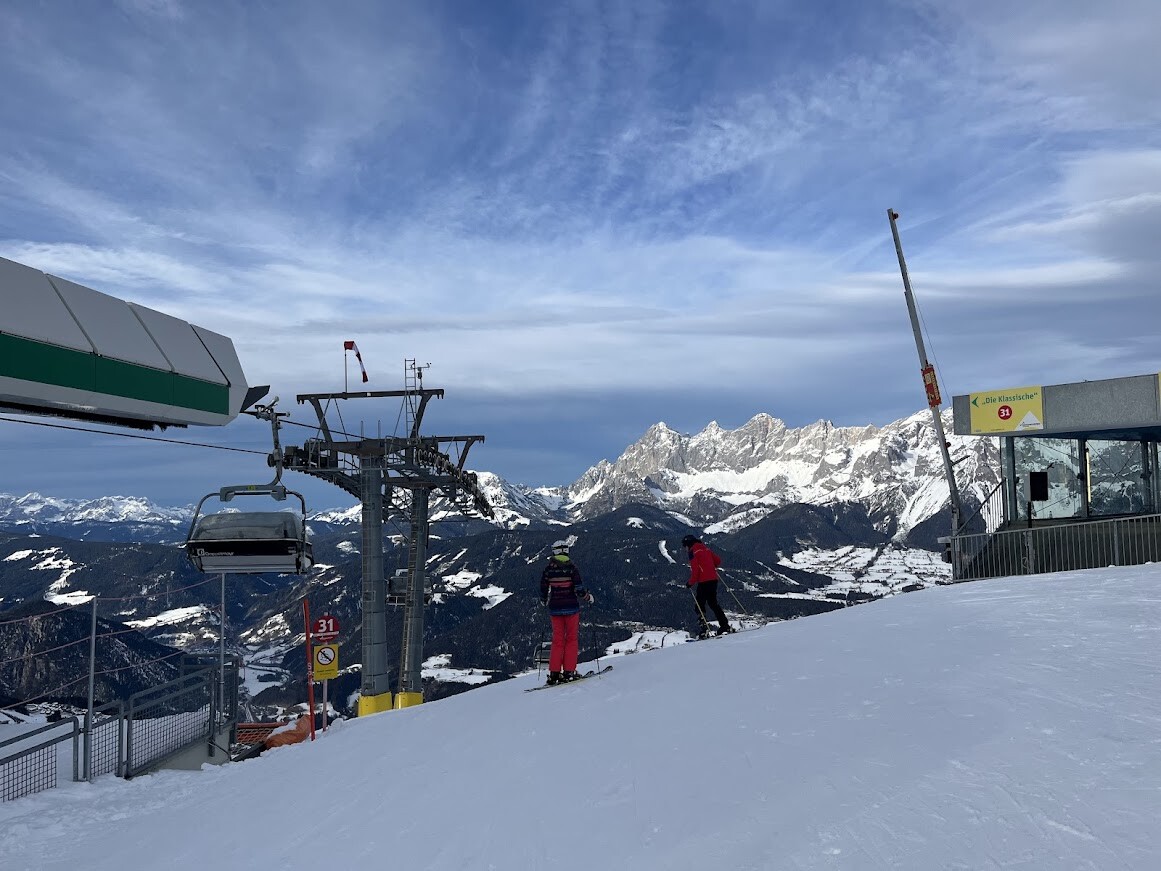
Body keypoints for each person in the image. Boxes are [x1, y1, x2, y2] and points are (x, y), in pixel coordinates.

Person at [540, 539, 594, 685]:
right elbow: (579, 590)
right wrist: (588, 597)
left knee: (557, 640)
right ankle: (569, 672)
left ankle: (554, 673)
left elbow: (543, 588)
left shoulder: (548, 569)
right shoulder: (572, 568)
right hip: (571, 608)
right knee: (571, 639)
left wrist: (543, 599)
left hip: (555, 609)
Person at [682, 533, 732, 639]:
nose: (685, 549)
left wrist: (690, 583)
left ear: (688, 544)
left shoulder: (692, 552)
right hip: (713, 579)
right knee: (713, 604)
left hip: (704, 581)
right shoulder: (705, 548)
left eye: (685, 546)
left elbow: (695, 570)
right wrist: (710, 566)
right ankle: (724, 625)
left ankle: (704, 630)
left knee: (699, 606)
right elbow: (718, 561)